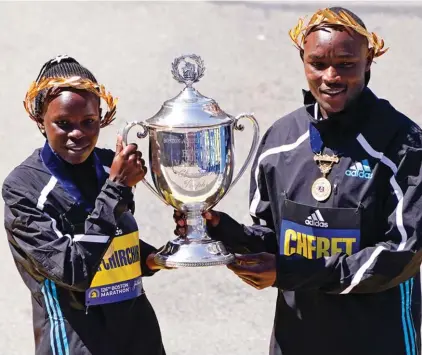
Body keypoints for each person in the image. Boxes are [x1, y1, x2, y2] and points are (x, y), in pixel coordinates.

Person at [175, 7, 422, 355]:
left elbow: (401, 254)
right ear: (302, 60)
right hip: (296, 341)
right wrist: (220, 229)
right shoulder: (280, 140)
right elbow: (270, 238)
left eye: (347, 64)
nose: (331, 76)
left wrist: (292, 271)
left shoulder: (402, 143)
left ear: (369, 61)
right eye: (318, 63)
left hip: (377, 340)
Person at [3, 55, 168, 355]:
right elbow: (74, 271)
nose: (78, 133)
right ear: (40, 120)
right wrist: (116, 188)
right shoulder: (23, 189)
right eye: (63, 123)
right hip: (77, 344)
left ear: (101, 118)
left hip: (139, 338)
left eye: (88, 122)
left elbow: (110, 242)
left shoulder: (108, 165)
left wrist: (153, 259)